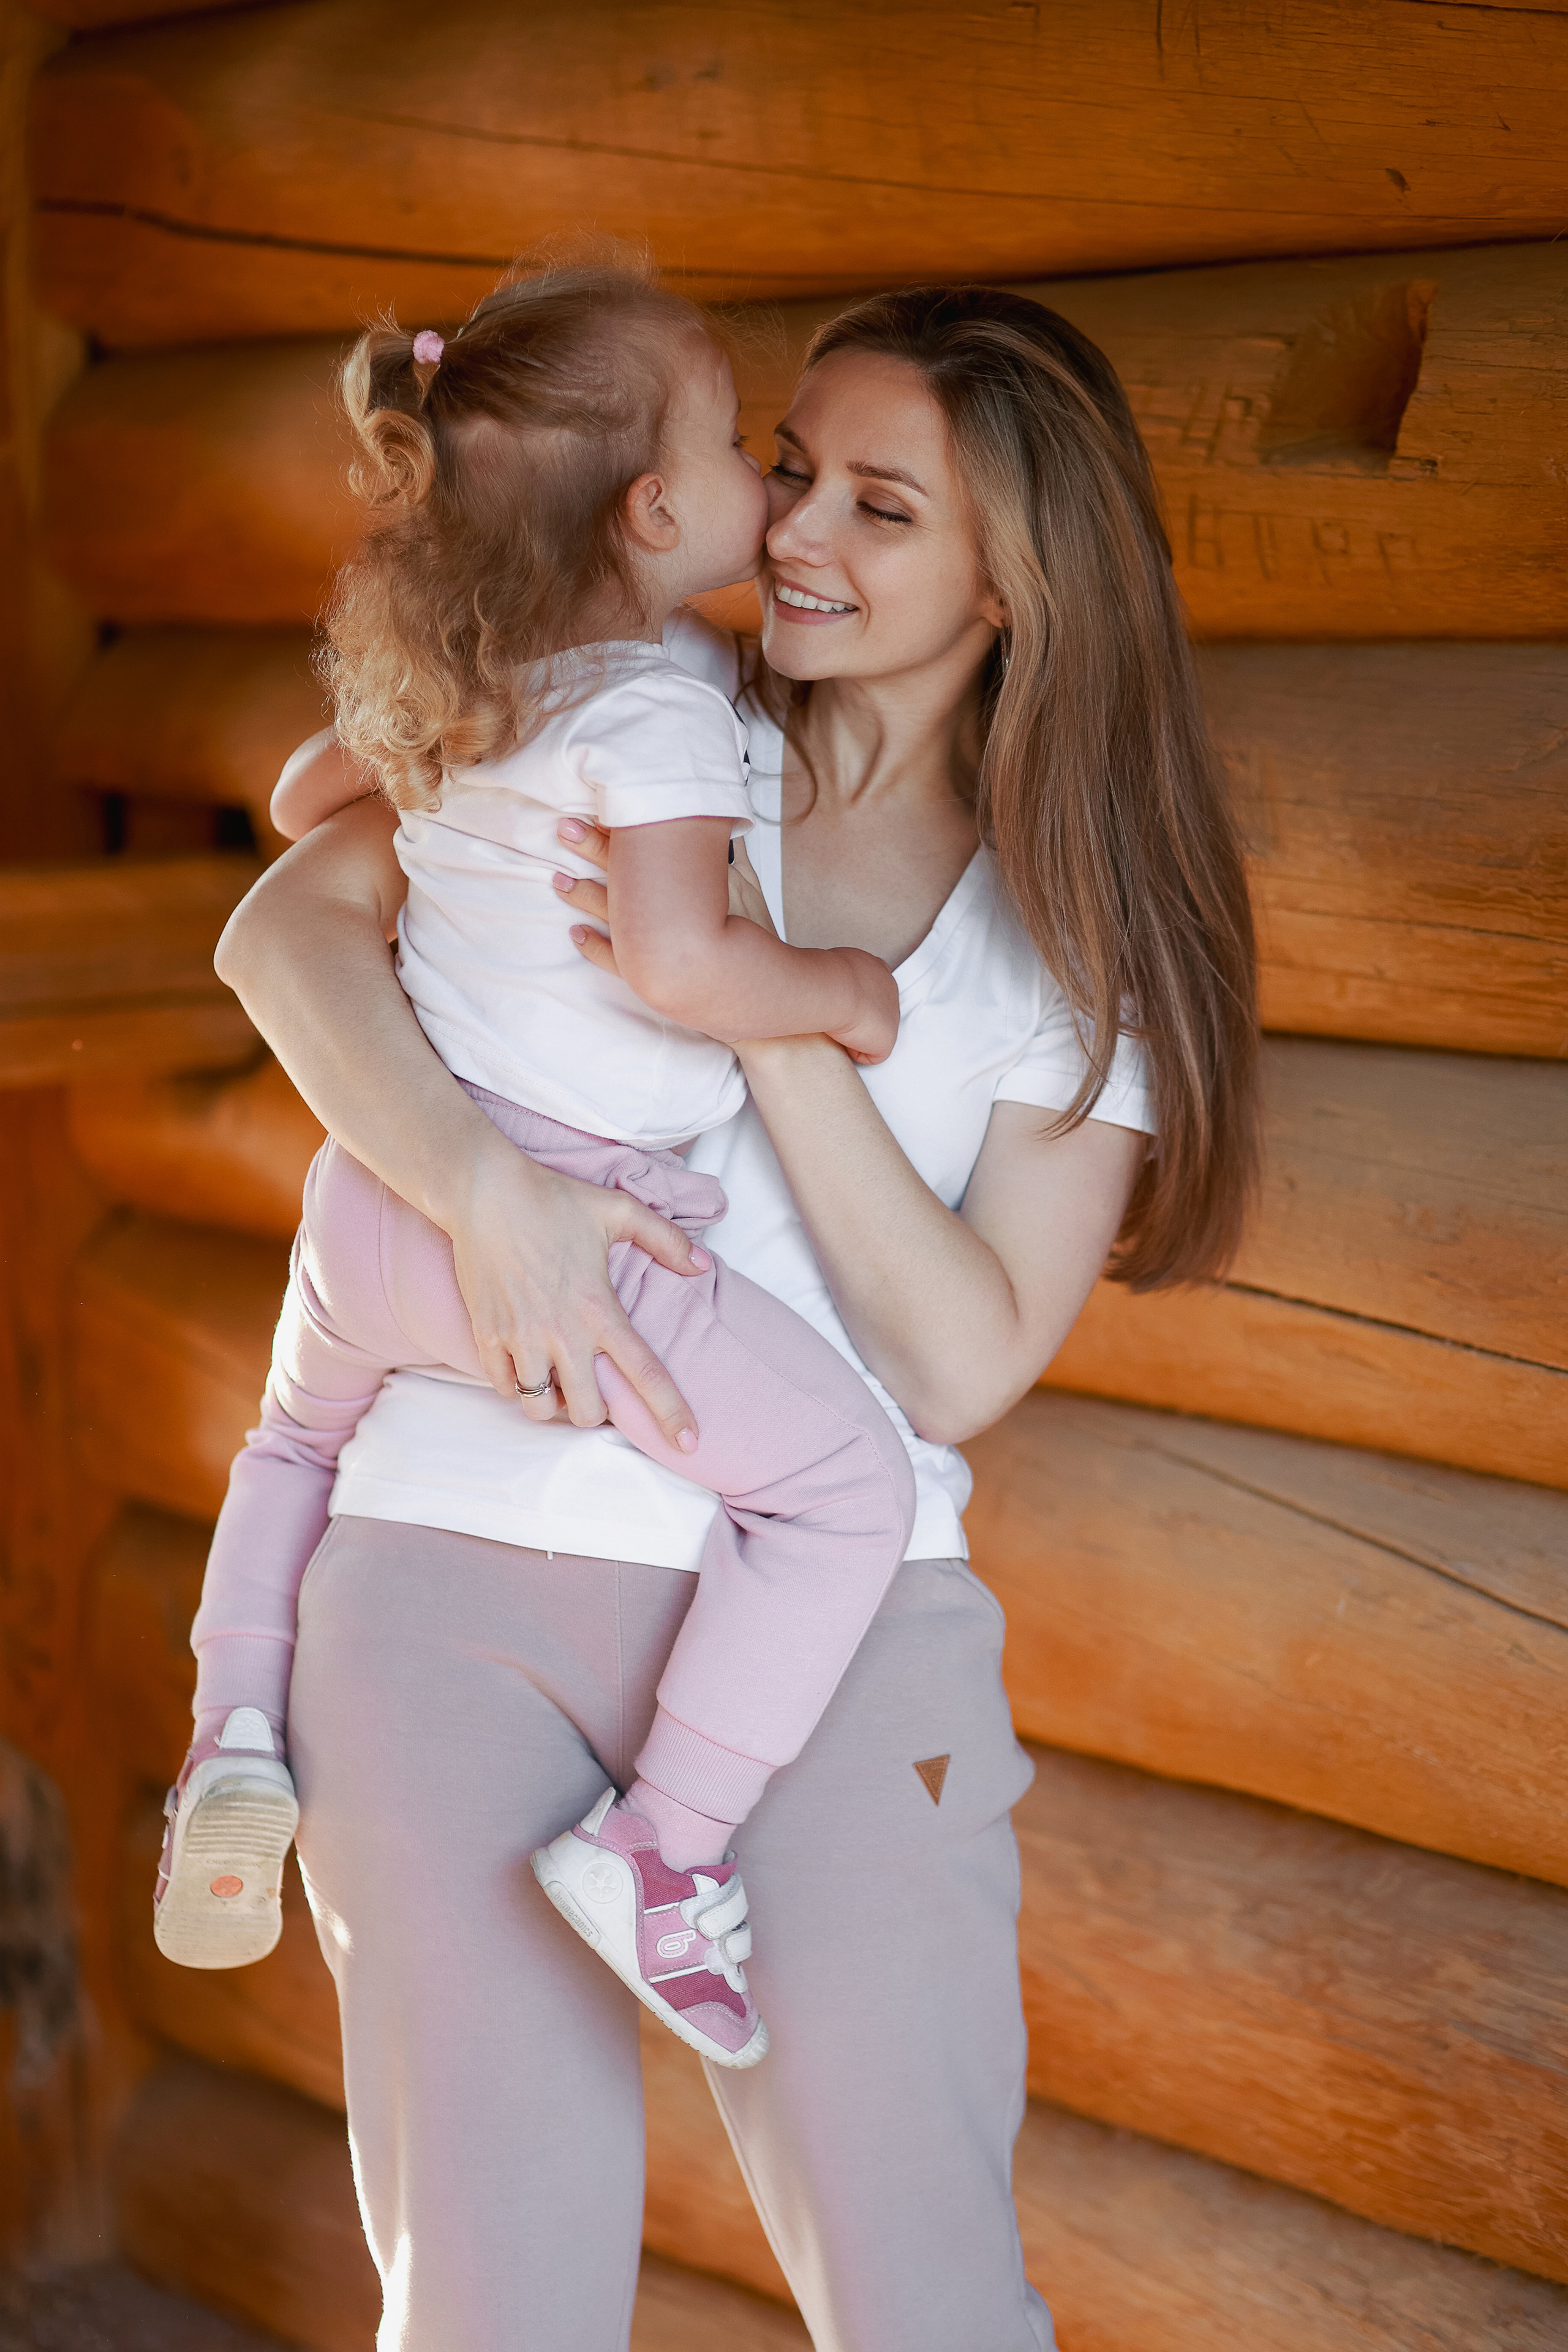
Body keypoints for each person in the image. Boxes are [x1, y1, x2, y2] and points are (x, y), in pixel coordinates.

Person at [213, 281, 1257, 2352]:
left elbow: (962, 1358)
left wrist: (769, 1014)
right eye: (792, 469)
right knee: (491, 2313)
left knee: (927, 2304)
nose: (794, 532)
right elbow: (285, 926)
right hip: (446, 1588)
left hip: (840, 1639)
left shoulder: (1069, 941)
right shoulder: (612, 707)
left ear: (1010, 585)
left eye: (884, 508)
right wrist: (490, 1193)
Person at [154, 264, 925, 2079]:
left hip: (379, 1208)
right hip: (577, 1224)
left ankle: (235, 1732)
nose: (766, 485)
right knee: (838, 1495)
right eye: (745, 449)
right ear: (660, 514)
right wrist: (842, 993)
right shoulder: (658, 716)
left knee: (288, 1443)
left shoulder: (484, 678)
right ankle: (664, 1844)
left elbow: (294, 807)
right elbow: (679, 963)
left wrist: (437, 765)